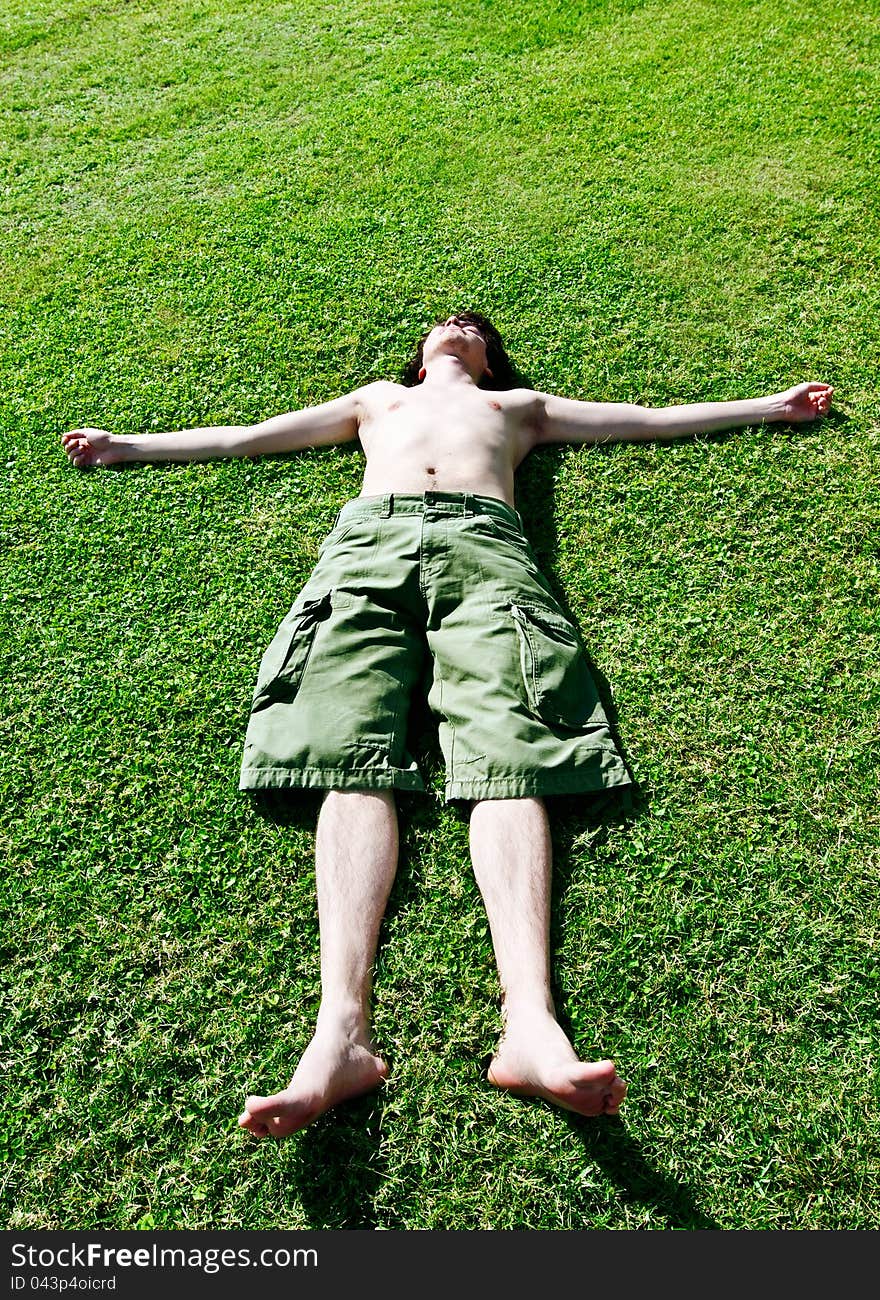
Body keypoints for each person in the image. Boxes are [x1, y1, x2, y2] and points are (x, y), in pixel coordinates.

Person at [61, 313, 833, 1137]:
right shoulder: (376, 400)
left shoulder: (518, 409)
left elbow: (647, 420)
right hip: (366, 548)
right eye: (446, 322)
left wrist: (768, 405)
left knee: (513, 754)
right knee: (343, 754)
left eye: (475, 328)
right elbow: (249, 438)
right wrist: (130, 445)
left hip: (486, 551)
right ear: (422, 350)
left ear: (491, 359)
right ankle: (339, 1036)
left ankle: (531, 1026)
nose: (459, 326)